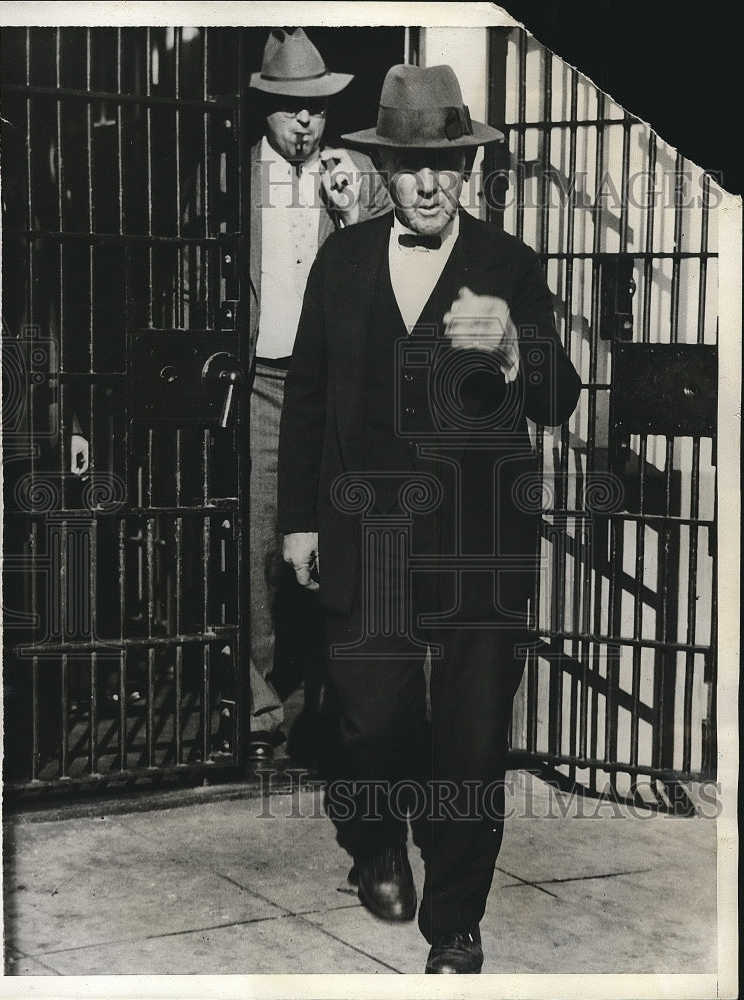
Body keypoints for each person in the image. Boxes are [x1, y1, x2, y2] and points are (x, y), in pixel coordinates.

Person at [277, 63, 581, 973]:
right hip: (364, 527)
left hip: (479, 539)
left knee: (472, 734)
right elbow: (305, 399)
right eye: (410, 165)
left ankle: (456, 919)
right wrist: (297, 522)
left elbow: (560, 398)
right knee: (370, 723)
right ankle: (373, 841)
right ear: (381, 169)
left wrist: (517, 348)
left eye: (446, 161)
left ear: (467, 166)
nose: (428, 183)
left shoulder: (508, 266)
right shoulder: (340, 261)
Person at [246, 28, 390, 766]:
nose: (305, 122)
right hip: (262, 380)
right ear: (265, 108)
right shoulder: (230, 178)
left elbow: (385, 264)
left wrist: (350, 212)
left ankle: (338, 709)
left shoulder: (358, 173)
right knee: (265, 544)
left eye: (317, 109)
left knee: (344, 536)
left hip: (338, 385)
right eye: (289, 108)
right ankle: (261, 710)